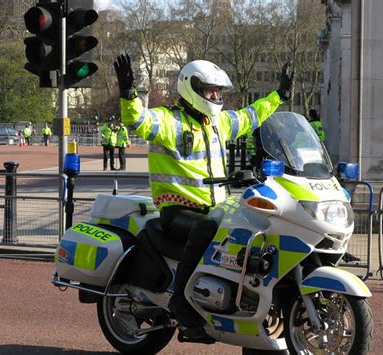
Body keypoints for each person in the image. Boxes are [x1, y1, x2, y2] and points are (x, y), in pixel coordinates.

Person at [114, 54, 293, 339]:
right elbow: (138, 121)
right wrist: (128, 92)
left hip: (216, 207)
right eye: (210, 90)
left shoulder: (217, 123)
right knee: (206, 229)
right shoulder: (170, 121)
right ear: (191, 88)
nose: (215, 96)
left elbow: (251, 116)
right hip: (177, 209)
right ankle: (182, 305)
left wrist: (279, 95)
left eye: (218, 91)